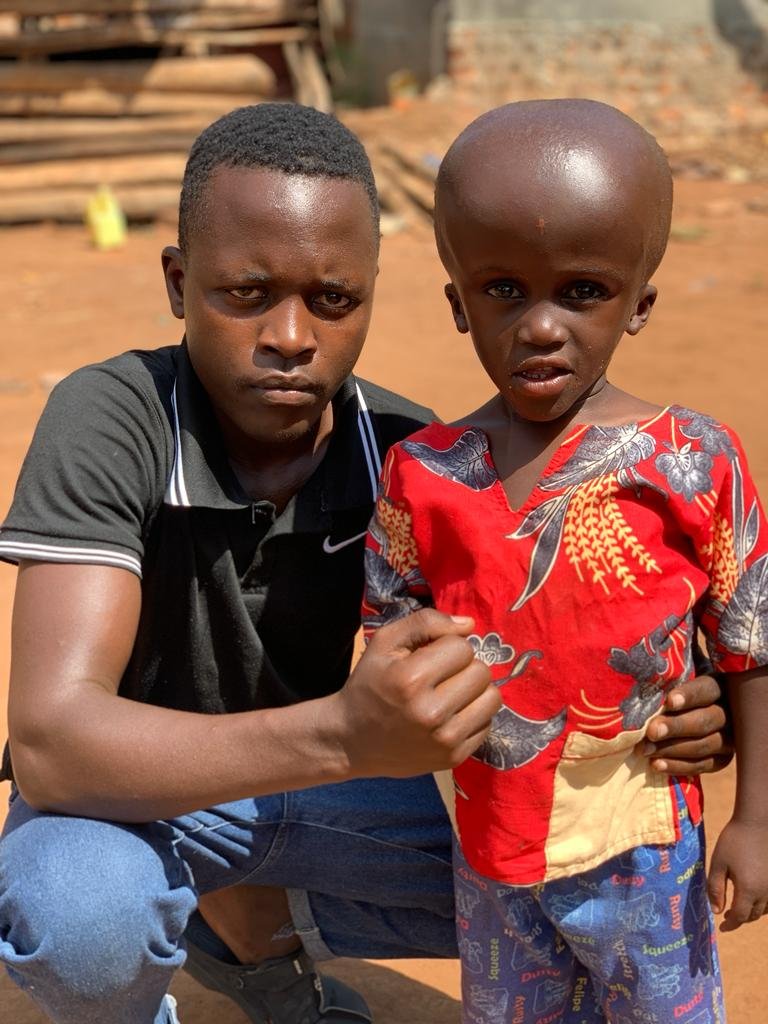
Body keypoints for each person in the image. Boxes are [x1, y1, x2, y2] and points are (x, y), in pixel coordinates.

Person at [0, 103, 730, 1024]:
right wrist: (346, 734)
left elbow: (532, 665)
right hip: (137, 803)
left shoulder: (413, 460)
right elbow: (54, 745)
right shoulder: (115, 419)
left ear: (377, 296)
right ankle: (192, 950)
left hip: (324, 796)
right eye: (246, 293)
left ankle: (252, 936)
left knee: (581, 856)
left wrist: (671, 708)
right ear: (181, 283)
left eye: (333, 300)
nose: (293, 336)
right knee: (80, 911)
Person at [362, 98, 768, 1023]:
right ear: (458, 304)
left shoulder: (693, 459)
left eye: (582, 291)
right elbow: (392, 640)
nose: (541, 326)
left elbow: (749, 640)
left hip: (645, 839)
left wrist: (756, 817)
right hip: (492, 846)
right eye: (504, 289)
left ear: (639, 304)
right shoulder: (422, 473)